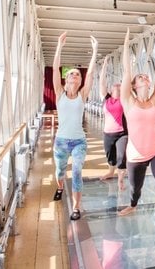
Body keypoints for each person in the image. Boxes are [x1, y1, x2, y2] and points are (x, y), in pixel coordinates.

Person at [118, 26, 155, 249]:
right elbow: (125, 70)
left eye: (145, 76)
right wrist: (126, 42)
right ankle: (133, 204)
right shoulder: (127, 100)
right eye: (139, 76)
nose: (143, 76)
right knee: (135, 189)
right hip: (135, 154)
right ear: (134, 84)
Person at [52, 32, 98, 221]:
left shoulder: (83, 94)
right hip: (61, 142)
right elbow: (55, 70)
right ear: (66, 79)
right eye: (71, 74)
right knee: (60, 171)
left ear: (80, 80)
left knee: (77, 171)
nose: (75, 76)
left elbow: (92, 73)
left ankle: (76, 207)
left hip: (79, 141)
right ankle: (60, 186)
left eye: (78, 74)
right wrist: (59, 46)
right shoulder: (59, 93)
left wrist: (95, 51)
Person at [99, 55, 129, 190]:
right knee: (110, 155)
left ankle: (121, 179)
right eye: (115, 85)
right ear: (110, 90)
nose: (117, 85)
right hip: (108, 133)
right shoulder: (106, 99)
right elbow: (101, 83)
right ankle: (111, 172)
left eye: (119, 85)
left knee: (121, 155)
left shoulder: (124, 99)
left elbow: (129, 81)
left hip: (122, 133)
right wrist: (104, 65)